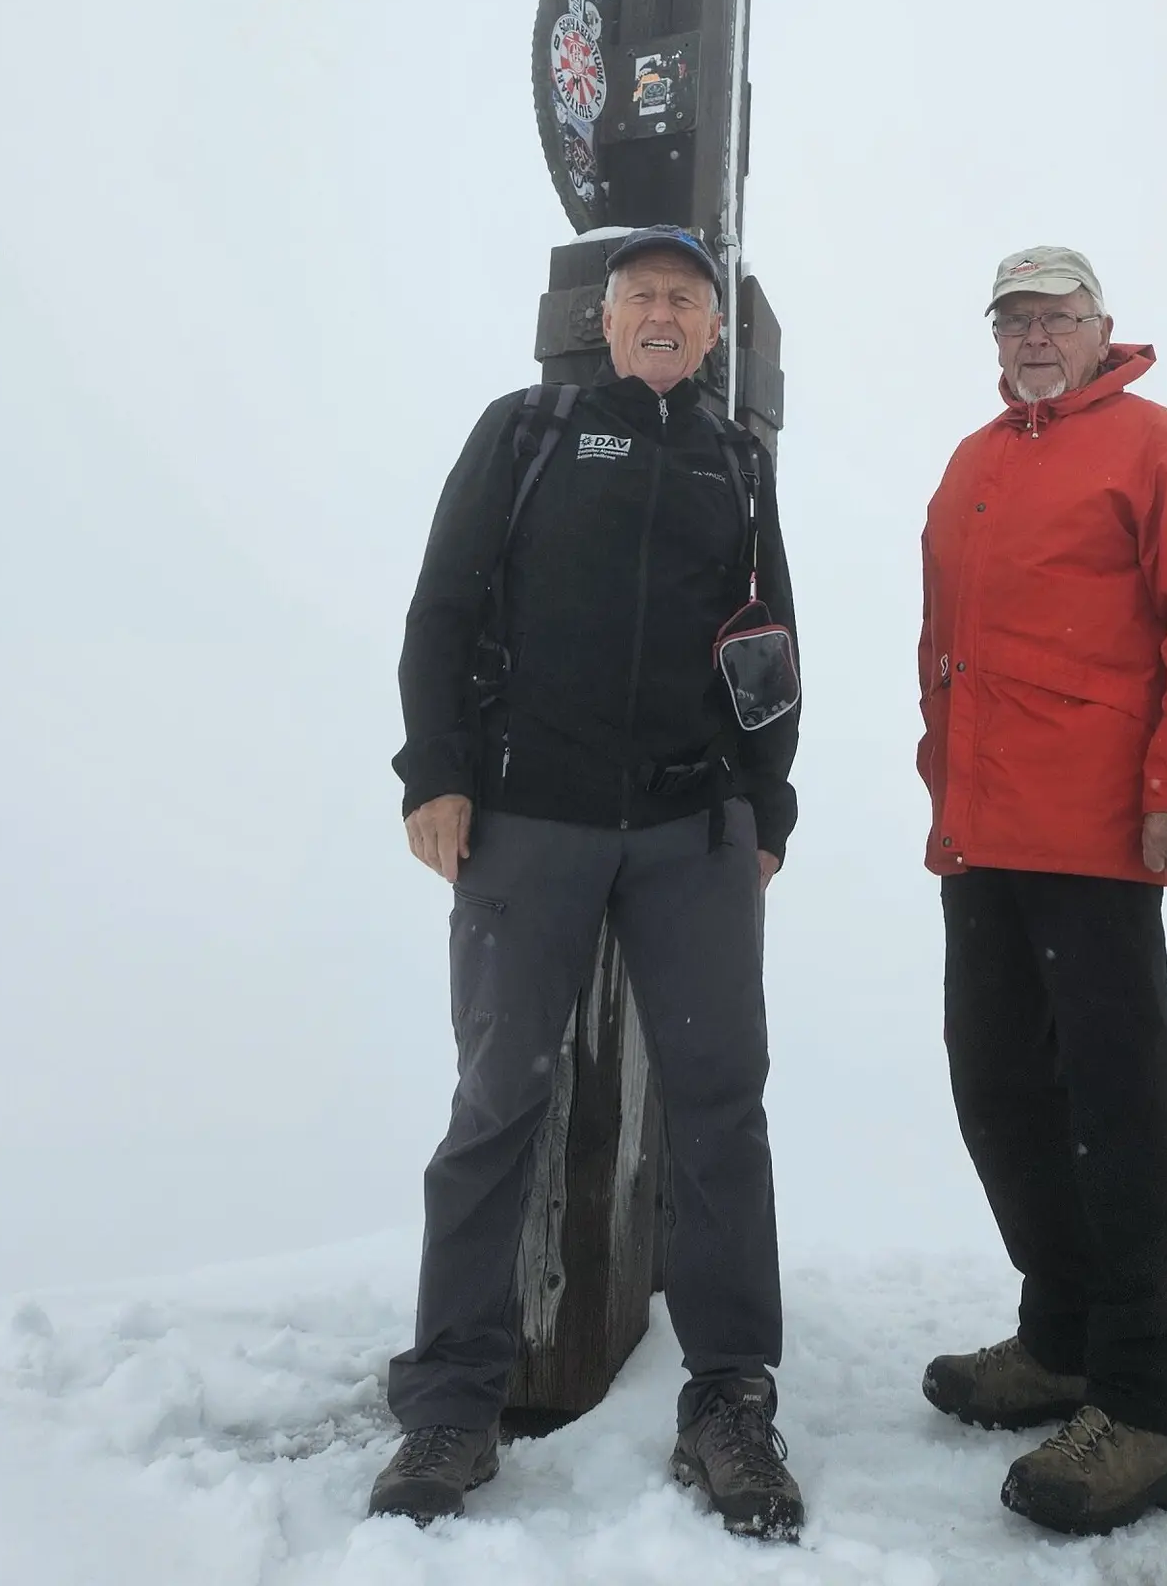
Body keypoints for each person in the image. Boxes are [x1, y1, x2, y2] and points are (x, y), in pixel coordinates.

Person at [369, 227, 804, 1540]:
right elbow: (442, 606)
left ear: (714, 333)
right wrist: (435, 772)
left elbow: (772, 639)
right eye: (642, 296)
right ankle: (452, 1403)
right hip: (528, 817)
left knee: (720, 1106)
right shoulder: (528, 430)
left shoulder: (735, 461)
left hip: (693, 830)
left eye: (685, 298)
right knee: (498, 1098)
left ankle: (730, 1397)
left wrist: (766, 802)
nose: (663, 312)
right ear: (604, 323)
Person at [915, 245, 1167, 1537]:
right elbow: (945, 648)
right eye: (1015, 319)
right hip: (983, 836)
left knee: (1115, 1110)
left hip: (1101, 833)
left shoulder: (1154, 445)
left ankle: (1149, 1403)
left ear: (1101, 327)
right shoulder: (972, 460)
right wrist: (941, 781)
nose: (1036, 337)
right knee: (998, 1087)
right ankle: (1061, 1340)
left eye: (1057, 316)